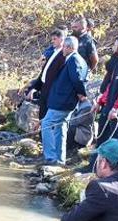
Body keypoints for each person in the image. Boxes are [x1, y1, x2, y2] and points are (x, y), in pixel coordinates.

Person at [41, 36, 88, 165]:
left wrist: (81, 93)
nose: (62, 50)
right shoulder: (77, 59)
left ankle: (50, 157)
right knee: (60, 127)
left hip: (63, 101)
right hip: (64, 100)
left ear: (69, 47)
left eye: (64, 47)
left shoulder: (74, 60)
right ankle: (59, 159)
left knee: (46, 123)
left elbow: (77, 79)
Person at [26, 29, 68, 120]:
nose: (52, 41)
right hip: (45, 89)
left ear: (62, 39)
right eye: (52, 39)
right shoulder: (53, 52)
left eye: (55, 39)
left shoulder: (63, 55)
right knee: (42, 116)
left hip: (53, 91)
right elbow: (44, 73)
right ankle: (42, 134)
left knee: (48, 119)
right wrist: (35, 88)